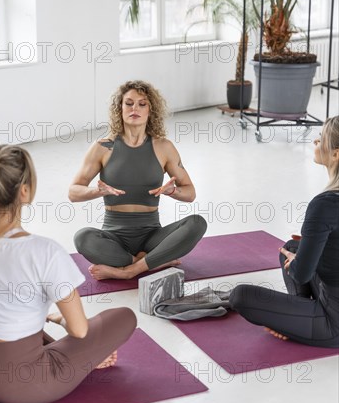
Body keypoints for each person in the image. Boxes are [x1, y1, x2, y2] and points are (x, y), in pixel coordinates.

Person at [0, 145, 137, 403]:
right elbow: (79, 330)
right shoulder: (45, 251)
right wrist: (60, 320)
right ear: (24, 192)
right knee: (123, 317)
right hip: (23, 387)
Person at [70, 80, 207, 280]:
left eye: (142, 104)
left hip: (152, 236)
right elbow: (73, 192)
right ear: (120, 108)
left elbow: (190, 193)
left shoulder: (164, 147)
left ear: (151, 110)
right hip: (114, 238)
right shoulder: (103, 146)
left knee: (197, 223)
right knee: (82, 238)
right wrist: (98, 191)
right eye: (129, 103)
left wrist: (172, 191)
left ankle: (128, 270)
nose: (135, 108)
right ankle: (153, 261)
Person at [229, 116, 339, 347]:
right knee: (289, 248)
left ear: (336, 154)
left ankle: (295, 320)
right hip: (330, 292)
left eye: (321, 139)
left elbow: (300, 274)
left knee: (240, 296)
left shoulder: (325, 204)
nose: (315, 141)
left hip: (334, 323)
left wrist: (299, 260)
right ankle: (296, 317)